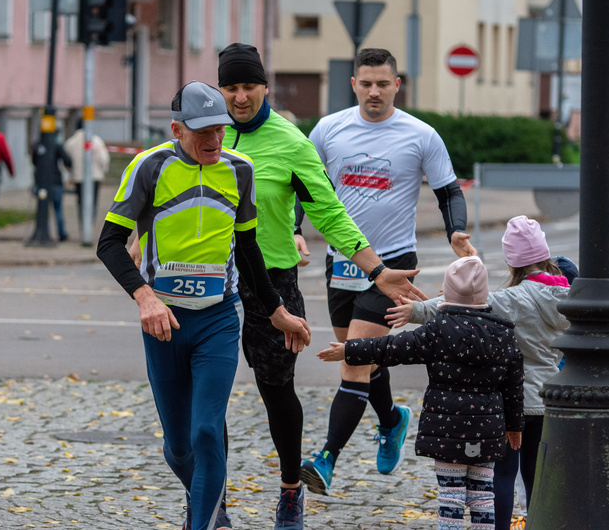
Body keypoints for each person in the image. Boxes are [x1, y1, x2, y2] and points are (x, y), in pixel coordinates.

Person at [215, 42, 426, 529]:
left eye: (249, 86)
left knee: (275, 391)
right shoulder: (207, 135)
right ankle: (212, 500)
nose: (240, 97)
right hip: (214, 281)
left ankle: (291, 490)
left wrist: (376, 270)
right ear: (219, 89)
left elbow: (329, 212)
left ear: (265, 87)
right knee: (209, 397)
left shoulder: (291, 142)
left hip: (272, 282)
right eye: (231, 87)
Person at [96, 81, 311, 530]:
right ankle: (205, 503)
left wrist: (276, 311)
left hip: (218, 319)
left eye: (220, 129)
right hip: (165, 323)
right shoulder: (149, 167)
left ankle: (209, 521)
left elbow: (248, 250)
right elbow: (109, 243)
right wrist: (145, 297)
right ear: (177, 129)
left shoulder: (240, 170)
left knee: (208, 431)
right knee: (179, 448)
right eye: (202, 132)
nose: (214, 140)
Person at [300, 47, 476, 496]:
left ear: (397, 85)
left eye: (383, 83)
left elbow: (449, 191)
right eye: (366, 83)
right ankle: (393, 419)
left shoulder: (420, 135)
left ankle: (325, 459)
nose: (374, 91)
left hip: (395, 264)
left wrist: (456, 231)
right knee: (365, 355)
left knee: (355, 359)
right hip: (341, 261)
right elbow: (303, 186)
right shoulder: (328, 130)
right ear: (353, 84)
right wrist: (294, 230)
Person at [387, 216, 571, 530]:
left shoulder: (515, 299)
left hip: (513, 401)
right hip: (549, 398)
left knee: (503, 474)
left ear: (511, 262)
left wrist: (416, 310)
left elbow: (461, 303)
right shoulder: (567, 295)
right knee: (537, 477)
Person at [320, 256, 524, 530]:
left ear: (447, 293)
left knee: (450, 496)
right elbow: (514, 387)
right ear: (485, 295)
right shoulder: (503, 334)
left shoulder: (438, 330)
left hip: (447, 430)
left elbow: (392, 348)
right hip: (488, 430)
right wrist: (514, 426)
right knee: (482, 495)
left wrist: (349, 350)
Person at [64, 120, 110, 236]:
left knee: (81, 203)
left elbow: (67, 161)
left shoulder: (71, 142)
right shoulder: (96, 140)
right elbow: (104, 159)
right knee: (93, 202)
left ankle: (83, 227)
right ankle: (90, 227)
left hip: (79, 178)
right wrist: (102, 170)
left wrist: (72, 172)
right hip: (95, 177)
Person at [30, 135, 71, 242]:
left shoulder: (37, 145)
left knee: (43, 208)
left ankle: (41, 230)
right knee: (58, 209)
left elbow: (34, 162)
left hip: (42, 182)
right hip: (56, 182)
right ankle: (61, 234)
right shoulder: (56, 145)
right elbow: (67, 161)